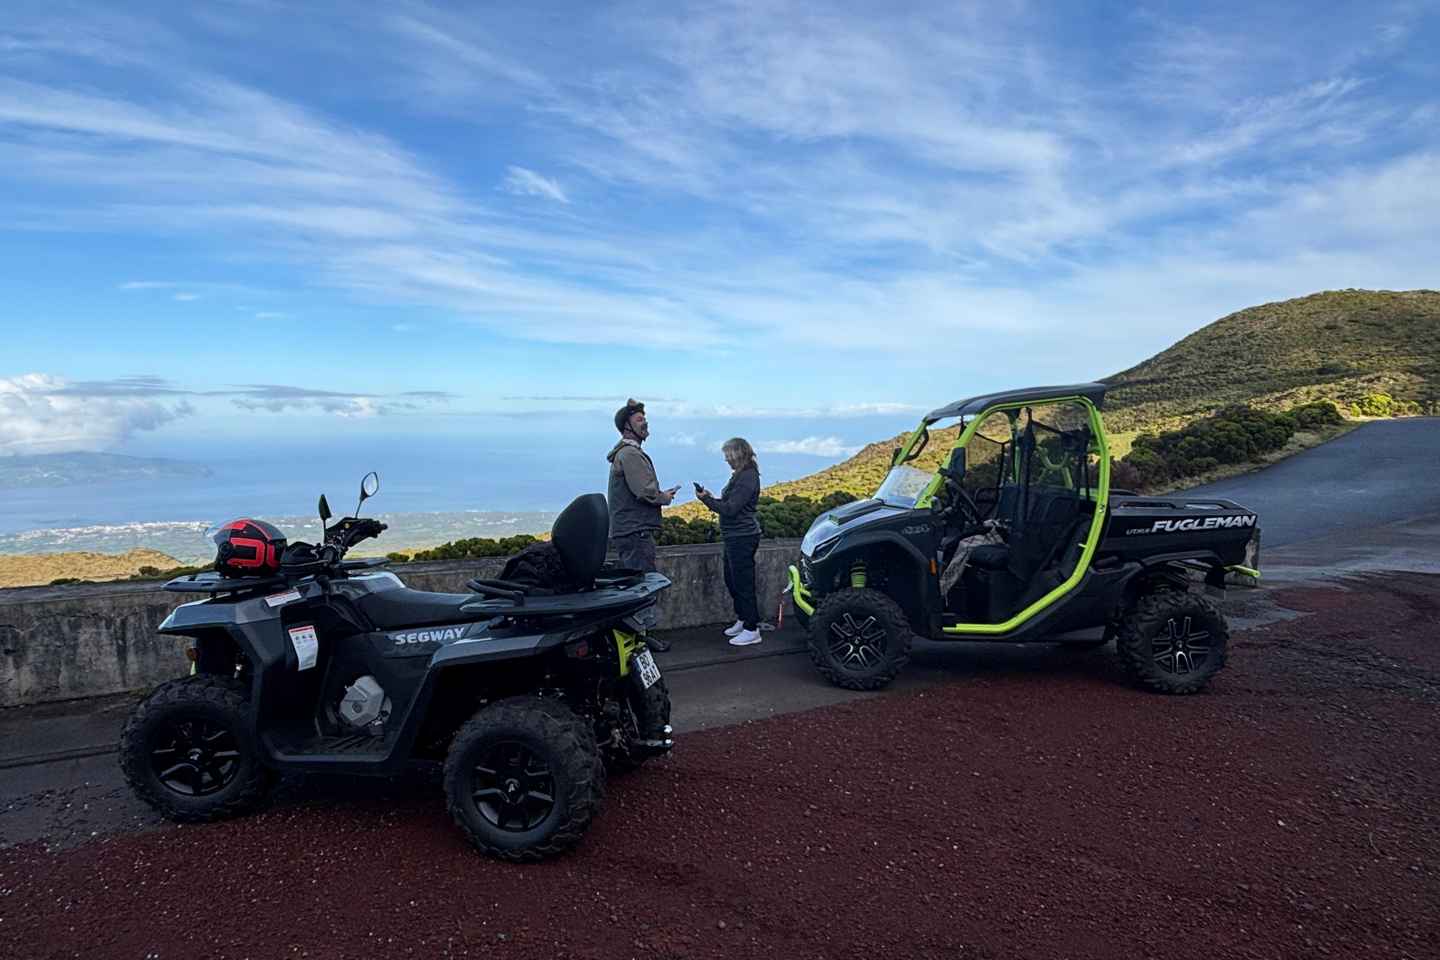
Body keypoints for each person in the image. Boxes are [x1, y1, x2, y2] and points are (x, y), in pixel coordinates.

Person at [606, 398, 679, 650]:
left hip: (628, 529)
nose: (645, 422)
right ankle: (640, 642)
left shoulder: (624, 453)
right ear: (627, 427)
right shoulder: (630, 454)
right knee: (642, 587)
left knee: (636, 584)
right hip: (635, 531)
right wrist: (664, 498)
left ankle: (638, 638)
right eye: (639, 419)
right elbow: (644, 491)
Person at [696, 438, 762, 647]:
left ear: (737, 454)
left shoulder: (747, 477)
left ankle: (752, 629)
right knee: (732, 579)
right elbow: (730, 504)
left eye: (728, 455)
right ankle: (743, 619)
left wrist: (706, 500)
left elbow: (731, 509)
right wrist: (710, 497)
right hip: (734, 536)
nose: (726, 460)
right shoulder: (741, 475)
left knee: (743, 582)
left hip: (742, 537)